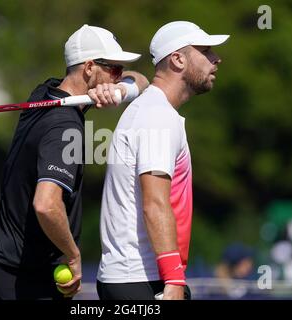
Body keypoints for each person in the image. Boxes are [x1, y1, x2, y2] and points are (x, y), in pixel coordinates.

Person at [0, 24, 149, 300]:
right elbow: (46, 204)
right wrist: (72, 254)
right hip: (20, 276)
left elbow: (141, 80)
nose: (118, 75)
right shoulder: (63, 127)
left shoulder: (45, 92)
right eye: (113, 69)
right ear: (90, 68)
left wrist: (118, 90)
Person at [97, 21, 230, 300]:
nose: (217, 59)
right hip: (142, 280)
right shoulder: (157, 117)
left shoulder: (151, 109)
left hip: (136, 278)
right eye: (205, 51)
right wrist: (174, 279)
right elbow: (155, 203)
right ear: (178, 59)